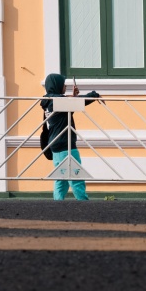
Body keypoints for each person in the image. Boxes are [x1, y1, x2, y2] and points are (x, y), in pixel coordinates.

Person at [40, 73, 100, 201]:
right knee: (76, 177)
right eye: (63, 84)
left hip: (55, 145)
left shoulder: (49, 101)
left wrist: (74, 97)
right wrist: (94, 94)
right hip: (65, 144)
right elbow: (79, 102)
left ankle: (57, 205)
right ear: (57, 85)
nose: (65, 87)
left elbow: (70, 106)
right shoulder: (58, 102)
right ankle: (83, 203)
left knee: (61, 179)